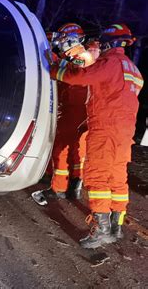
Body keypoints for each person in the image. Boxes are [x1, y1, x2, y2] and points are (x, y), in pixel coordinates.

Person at [50, 23, 143, 248]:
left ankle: (101, 230)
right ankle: (115, 226)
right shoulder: (134, 69)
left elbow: (80, 78)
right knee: (118, 177)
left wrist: (55, 70)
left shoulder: (110, 62)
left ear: (109, 42)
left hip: (105, 128)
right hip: (126, 131)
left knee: (97, 176)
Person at [33, 23, 94, 205]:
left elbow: (67, 73)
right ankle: (73, 185)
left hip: (74, 109)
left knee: (61, 148)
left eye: (63, 39)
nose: (61, 43)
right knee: (74, 150)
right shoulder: (79, 56)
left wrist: (50, 60)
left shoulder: (82, 57)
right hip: (73, 108)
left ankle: (59, 189)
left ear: (73, 39)